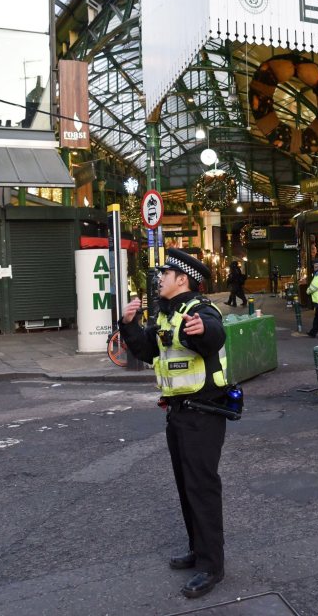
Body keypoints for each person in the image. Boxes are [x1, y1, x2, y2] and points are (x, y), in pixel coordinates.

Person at [119, 248, 228, 599]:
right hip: (178, 412)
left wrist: (202, 332)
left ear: (182, 279)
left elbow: (213, 333)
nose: (159, 279)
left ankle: (213, 567)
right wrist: (129, 325)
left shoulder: (200, 311)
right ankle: (199, 550)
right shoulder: (167, 316)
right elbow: (148, 351)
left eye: (165, 274)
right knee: (186, 487)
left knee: (202, 488)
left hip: (204, 413)